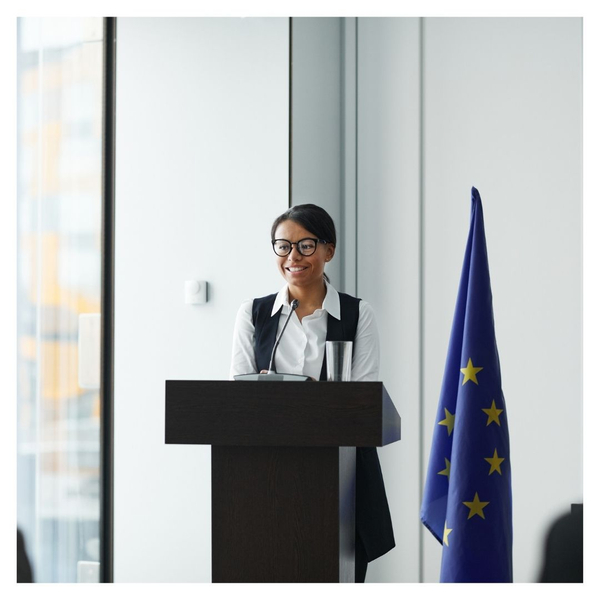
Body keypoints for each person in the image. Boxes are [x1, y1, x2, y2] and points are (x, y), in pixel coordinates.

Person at [230, 203, 395, 582]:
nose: (293, 257)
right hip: (265, 475)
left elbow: (363, 397)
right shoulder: (252, 315)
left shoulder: (357, 314)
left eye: (306, 246)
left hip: (340, 475)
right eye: (283, 246)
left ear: (328, 250)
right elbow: (236, 396)